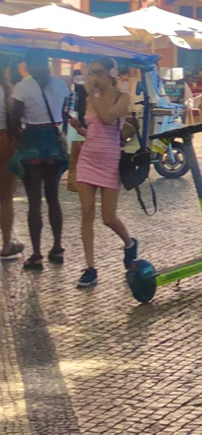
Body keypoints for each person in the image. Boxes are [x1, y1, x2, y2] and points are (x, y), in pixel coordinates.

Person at [69, 58, 137, 288]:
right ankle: (90, 267)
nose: (94, 77)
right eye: (91, 72)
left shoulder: (122, 97)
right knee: (86, 211)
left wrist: (93, 95)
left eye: (98, 72)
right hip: (87, 159)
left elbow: (108, 118)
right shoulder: (90, 99)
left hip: (109, 162)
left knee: (108, 218)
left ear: (111, 73)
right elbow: (93, 129)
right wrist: (79, 130)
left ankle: (129, 243)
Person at [8, 50, 70, 271]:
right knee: (53, 198)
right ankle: (57, 248)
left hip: (32, 140)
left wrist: (21, 140)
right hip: (53, 142)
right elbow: (63, 111)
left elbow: (14, 118)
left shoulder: (23, 86)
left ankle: (36, 255)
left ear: (30, 66)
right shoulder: (60, 85)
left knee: (34, 201)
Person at [0, 57, 21, 259]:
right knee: (5, 198)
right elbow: (14, 119)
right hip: (2, 141)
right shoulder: (8, 89)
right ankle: (6, 244)